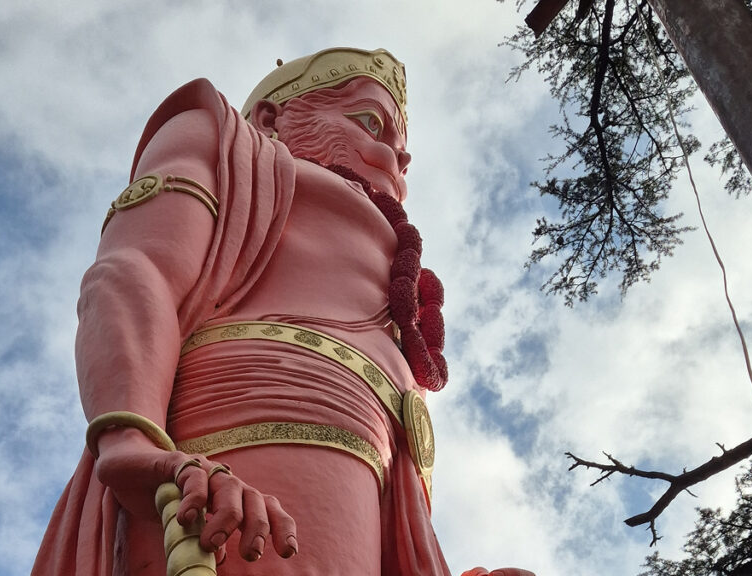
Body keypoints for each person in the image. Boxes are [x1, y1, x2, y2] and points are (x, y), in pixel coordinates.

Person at [32, 47, 533, 576]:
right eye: (369, 123)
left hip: (366, 483)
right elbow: (136, 270)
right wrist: (132, 439)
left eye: (403, 151)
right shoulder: (224, 143)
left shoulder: (391, 277)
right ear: (271, 118)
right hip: (222, 455)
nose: (395, 157)